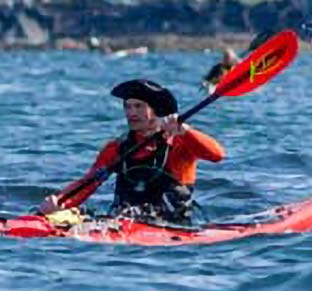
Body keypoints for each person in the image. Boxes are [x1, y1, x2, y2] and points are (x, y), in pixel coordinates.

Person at [41, 79, 225, 224]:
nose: (131, 113)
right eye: (128, 107)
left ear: (156, 111)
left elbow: (217, 155)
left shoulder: (179, 143)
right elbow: (88, 183)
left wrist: (185, 130)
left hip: (173, 226)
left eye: (138, 106)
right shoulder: (116, 148)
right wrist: (59, 203)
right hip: (121, 223)